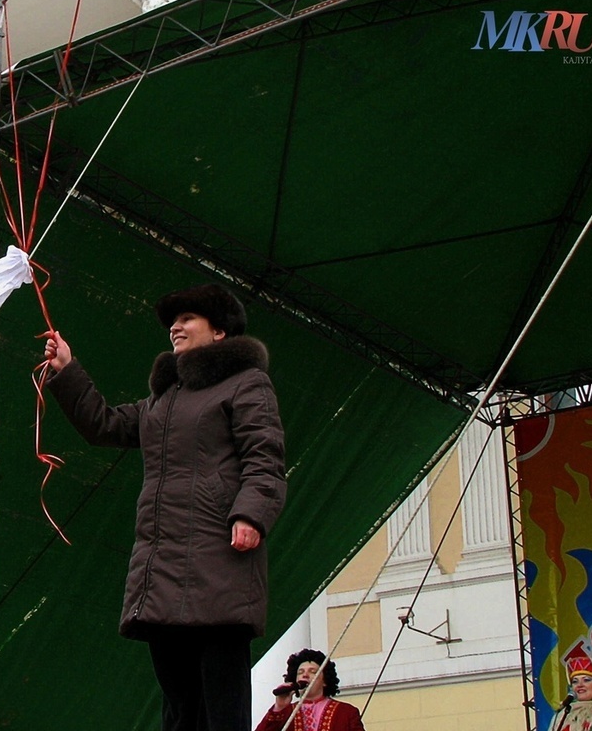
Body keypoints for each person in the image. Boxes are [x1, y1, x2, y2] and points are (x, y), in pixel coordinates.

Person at [43, 282, 287, 731]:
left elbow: (265, 458)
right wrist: (68, 369)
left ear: (219, 331)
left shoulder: (247, 383)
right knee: (179, 705)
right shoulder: (163, 400)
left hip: (219, 564)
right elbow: (104, 425)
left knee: (222, 704)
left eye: (187, 318)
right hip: (164, 572)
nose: (175, 327)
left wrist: (250, 514)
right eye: (173, 321)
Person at [253, 648, 364, 731]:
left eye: (313, 672)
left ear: (325, 681)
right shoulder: (284, 712)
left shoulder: (347, 712)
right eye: (300, 672)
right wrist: (279, 707)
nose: (305, 675)